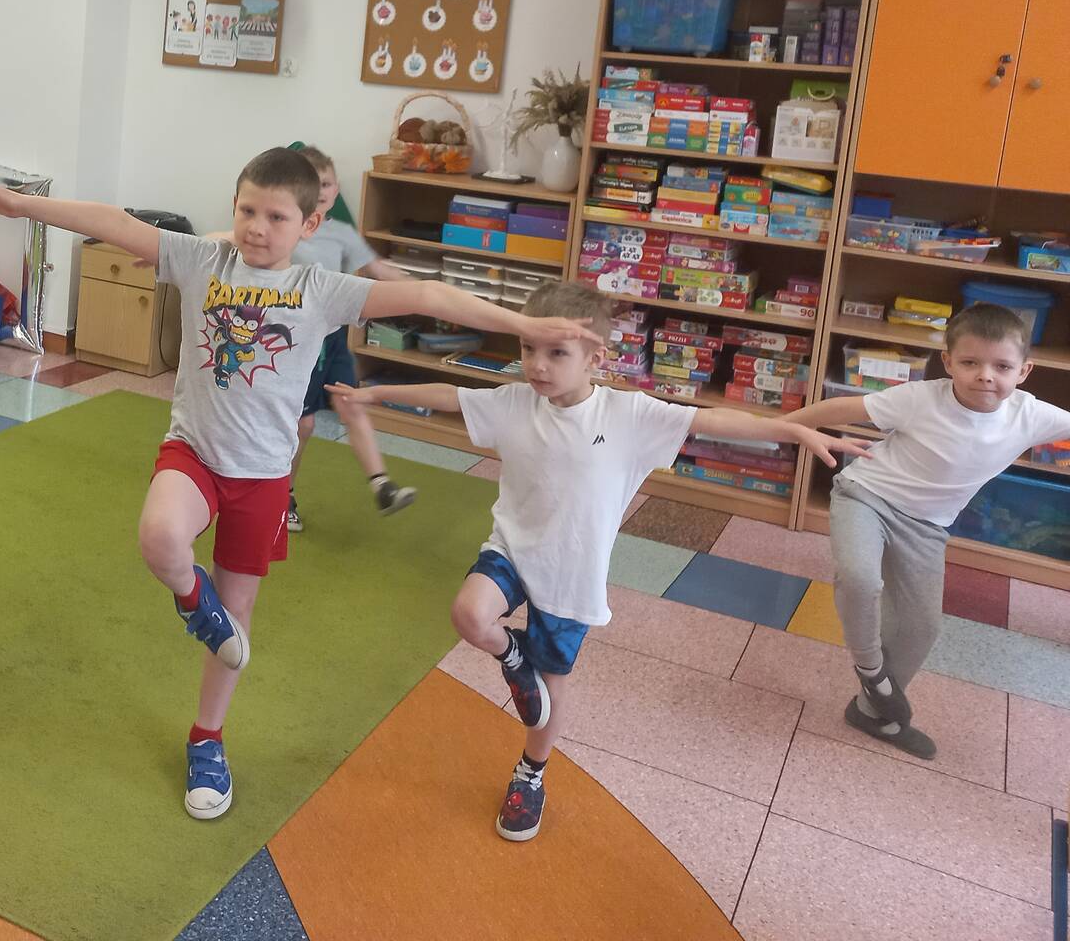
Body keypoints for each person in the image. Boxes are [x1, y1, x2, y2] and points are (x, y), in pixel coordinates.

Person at [0, 148, 604, 822]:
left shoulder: (321, 289)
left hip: (263, 478)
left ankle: (207, 740)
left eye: (276, 216)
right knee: (160, 537)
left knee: (237, 623)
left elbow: (427, 295)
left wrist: (521, 324)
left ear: (310, 223)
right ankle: (193, 605)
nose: (257, 227)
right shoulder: (201, 260)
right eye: (247, 210)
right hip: (194, 453)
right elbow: (112, 221)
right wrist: (21, 205)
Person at [329, 279, 862, 842]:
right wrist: (374, 395)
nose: (538, 365)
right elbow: (448, 394)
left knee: (552, 688)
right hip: (511, 548)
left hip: (572, 574)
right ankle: (512, 656)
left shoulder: (629, 415)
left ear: (595, 358)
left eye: (557, 353)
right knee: (469, 614)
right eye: (529, 348)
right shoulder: (514, 402)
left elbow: (711, 420)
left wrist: (790, 429)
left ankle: (531, 773)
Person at [788, 302, 1070, 760]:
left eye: (1002, 367)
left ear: (1024, 371)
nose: (985, 376)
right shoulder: (920, 398)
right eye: (970, 362)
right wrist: (782, 426)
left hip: (927, 526)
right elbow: (843, 406)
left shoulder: (1030, 415)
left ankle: (871, 713)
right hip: (866, 497)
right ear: (948, 362)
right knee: (860, 578)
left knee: (921, 628)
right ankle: (872, 673)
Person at [283, 146, 411, 533]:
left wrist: (428, 290)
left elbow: (378, 270)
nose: (320, 191)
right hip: (295, 341)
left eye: (326, 184)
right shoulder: (287, 228)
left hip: (333, 338)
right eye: (312, 183)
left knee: (351, 402)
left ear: (336, 189)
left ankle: (382, 485)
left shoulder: (341, 233)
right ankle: (283, 497)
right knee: (303, 425)